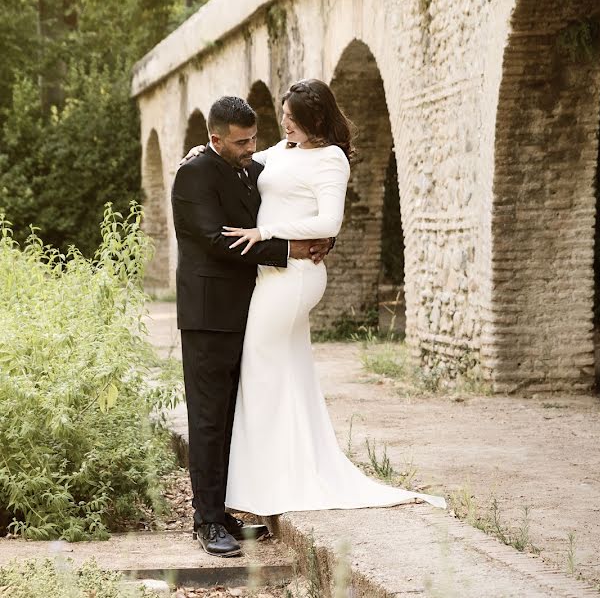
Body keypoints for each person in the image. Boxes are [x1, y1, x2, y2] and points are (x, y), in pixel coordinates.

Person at [199, 79, 446, 516]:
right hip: (272, 272)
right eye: (283, 118)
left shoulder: (330, 159)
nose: (284, 125)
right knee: (287, 370)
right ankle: (284, 471)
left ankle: (266, 481)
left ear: (315, 120)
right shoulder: (284, 151)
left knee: (258, 362)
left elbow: (328, 221)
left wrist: (267, 232)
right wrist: (200, 153)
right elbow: (243, 156)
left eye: (292, 121)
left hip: (295, 274)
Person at [170, 96, 335, 558]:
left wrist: (324, 235)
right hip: (207, 316)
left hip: (246, 309)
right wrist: (291, 251)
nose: (251, 148)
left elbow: (295, 197)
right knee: (206, 419)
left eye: (254, 139)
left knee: (230, 415)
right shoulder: (194, 173)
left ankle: (222, 512)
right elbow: (218, 241)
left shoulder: (248, 166)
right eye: (241, 142)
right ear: (214, 138)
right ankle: (206, 522)